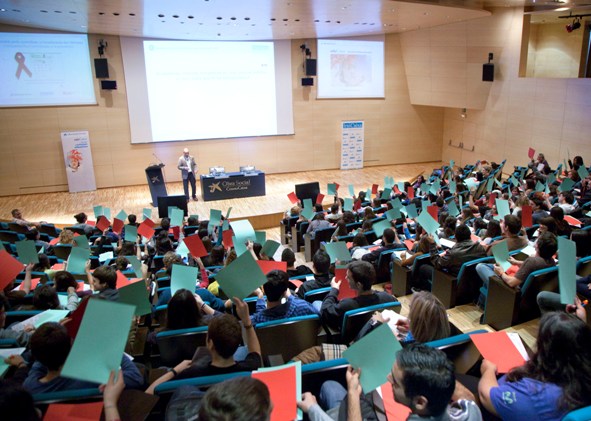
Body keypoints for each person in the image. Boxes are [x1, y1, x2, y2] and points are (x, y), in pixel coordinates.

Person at [299, 344, 481, 421]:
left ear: (420, 402)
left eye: (395, 381)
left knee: (329, 387)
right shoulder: (470, 413)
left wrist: (313, 408)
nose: (387, 379)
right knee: (330, 387)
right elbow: (469, 399)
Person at [479, 312, 591, 420]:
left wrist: (488, 370)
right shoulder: (582, 375)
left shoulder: (535, 393)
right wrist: (578, 325)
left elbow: (487, 396)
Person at [145, 297, 262, 392]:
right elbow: (255, 352)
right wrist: (247, 322)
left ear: (210, 343)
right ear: (237, 345)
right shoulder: (250, 369)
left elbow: (151, 391)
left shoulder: (189, 375)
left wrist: (174, 371)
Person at [16, 322, 144, 394]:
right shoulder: (92, 377)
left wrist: (46, 339)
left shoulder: (30, 387)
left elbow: (38, 363)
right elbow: (135, 378)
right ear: (71, 349)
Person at [476, 231, 557, 309]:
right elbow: (534, 266)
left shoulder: (532, 261)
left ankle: (484, 304)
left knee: (480, 267)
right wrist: (516, 262)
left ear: (538, 246)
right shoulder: (551, 262)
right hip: (530, 296)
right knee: (489, 268)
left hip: (512, 291)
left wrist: (501, 273)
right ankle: (483, 304)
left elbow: (512, 283)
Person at [320, 260, 397, 332]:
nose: (346, 278)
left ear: (358, 285)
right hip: (377, 334)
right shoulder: (388, 298)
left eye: (348, 277)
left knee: (317, 303)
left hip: (351, 340)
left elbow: (325, 310)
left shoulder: (347, 304)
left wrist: (334, 290)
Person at [250, 270, 319, 326]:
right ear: (285, 292)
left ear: (264, 291)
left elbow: (261, 314)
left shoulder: (257, 319)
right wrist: (291, 297)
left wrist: (260, 295)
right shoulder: (302, 306)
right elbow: (318, 316)